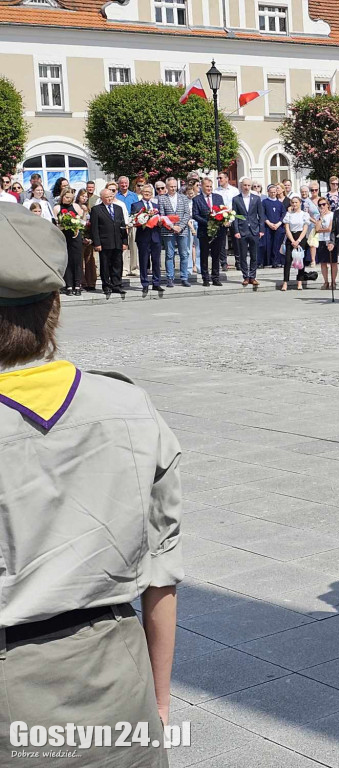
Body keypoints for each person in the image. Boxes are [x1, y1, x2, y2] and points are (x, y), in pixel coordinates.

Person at [0, 203, 182, 766]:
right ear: (54, 306)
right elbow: (161, 574)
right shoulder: (129, 404)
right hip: (114, 674)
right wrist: (158, 703)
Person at [91, 187, 129, 299]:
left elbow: (122, 225)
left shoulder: (118, 208)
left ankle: (117, 285)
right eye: (107, 197)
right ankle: (106, 286)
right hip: (104, 242)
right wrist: (97, 243)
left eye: (111, 197)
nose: (109, 199)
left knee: (117, 264)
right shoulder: (96, 209)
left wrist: (125, 241)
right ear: (102, 198)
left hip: (117, 241)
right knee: (105, 265)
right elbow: (94, 228)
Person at [130, 184, 165, 297]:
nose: (147, 194)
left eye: (149, 192)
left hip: (155, 236)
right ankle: (145, 284)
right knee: (144, 261)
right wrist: (143, 219)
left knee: (156, 261)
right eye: (145, 191)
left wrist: (160, 222)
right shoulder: (136, 205)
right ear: (141, 192)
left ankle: (156, 283)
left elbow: (160, 220)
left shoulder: (156, 206)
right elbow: (133, 220)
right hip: (143, 237)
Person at [157, 178, 192, 288]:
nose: (173, 188)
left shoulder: (183, 198)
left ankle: (184, 277)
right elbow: (162, 215)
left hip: (182, 230)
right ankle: (170, 278)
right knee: (169, 254)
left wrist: (180, 227)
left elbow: (187, 214)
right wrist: (172, 227)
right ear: (167, 187)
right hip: (168, 230)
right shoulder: (162, 199)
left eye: (174, 186)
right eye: (171, 186)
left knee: (184, 254)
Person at [191, 178, 225, 287]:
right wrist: (208, 223)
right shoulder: (197, 199)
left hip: (217, 231)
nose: (209, 188)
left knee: (216, 255)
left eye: (210, 186)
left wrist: (220, 220)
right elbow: (195, 214)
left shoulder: (218, 197)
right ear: (202, 187)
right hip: (204, 231)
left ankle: (215, 278)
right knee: (204, 255)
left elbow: (223, 211)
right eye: (207, 186)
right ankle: (205, 278)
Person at [232, 177, 263, 287]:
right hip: (242, 230)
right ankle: (245, 276)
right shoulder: (236, 199)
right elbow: (235, 216)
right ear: (241, 186)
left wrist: (261, 230)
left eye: (248, 185)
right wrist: (236, 230)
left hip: (254, 230)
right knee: (243, 255)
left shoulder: (256, 198)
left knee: (254, 255)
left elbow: (261, 215)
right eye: (245, 185)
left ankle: (253, 277)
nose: (246, 187)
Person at [55, 188, 85, 295]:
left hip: (75, 236)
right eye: (66, 197)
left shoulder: (76, 206)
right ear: (62, 196)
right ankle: (68, 285)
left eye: (71, 198)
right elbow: (55, 224)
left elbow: (82, 221)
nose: (68, 199)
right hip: (64, 236)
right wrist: (63, 226)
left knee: (77, 260)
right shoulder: (57, 208)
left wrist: (77, 226)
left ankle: (77, 284)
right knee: (67, 261)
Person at [280, 194, 311, 291]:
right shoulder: (288, 214)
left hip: (300, 237)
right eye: (293, 202)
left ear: (300, 203)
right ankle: (285, 282)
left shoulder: (304, 214)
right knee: (287, 260)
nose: (294, 204)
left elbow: (305, 229)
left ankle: (300, 282)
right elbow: (287, 228)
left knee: (300, 259)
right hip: (291, 237)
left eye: (296, 202)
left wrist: (298, 240)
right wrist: (292, 240)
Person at [116, 176, 140, 277]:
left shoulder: (134, 195)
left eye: (125, 183)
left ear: (128, 184)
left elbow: (138, 209)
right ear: (118, 184)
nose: (124, 185)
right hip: (121, 224)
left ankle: (135, 268)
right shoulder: (116, 196)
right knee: (123, 247)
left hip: (133, 223)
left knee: (134, 246)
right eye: (122, 183)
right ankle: (124, 268)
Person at [314, 197, 336, 290]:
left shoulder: (332, 215)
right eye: (320, 205)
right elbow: (316, 229)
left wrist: (321, 229)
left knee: (333, 262)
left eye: (324, 204)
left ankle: (333, 281)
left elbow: (330, 229)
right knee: (323, 262)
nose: (322, 206)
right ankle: (326, 281)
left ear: (328, 205)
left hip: (330, 239)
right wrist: (321, 217)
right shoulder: (318, 216)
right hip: (321, 240)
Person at [262, 183, 286, 269]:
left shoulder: (280, 203)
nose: (273, 194)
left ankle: (275, 261)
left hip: (278, 227)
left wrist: (278, 223)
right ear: (268, 192)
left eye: (274, 192)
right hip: (268, 226)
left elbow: (283, 214)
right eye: (271, 192)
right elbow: (262, 213)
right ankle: (267, 261)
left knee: (276, 245)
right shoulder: (264, 202)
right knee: (268, 244)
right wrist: (269, 223)